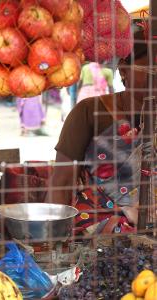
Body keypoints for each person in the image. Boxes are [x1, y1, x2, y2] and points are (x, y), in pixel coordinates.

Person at [50, 29, 150, 235]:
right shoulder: (90, 112)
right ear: (124, 70)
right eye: (149, 67)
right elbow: (61, 182)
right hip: (97, 231)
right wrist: (50, 240)